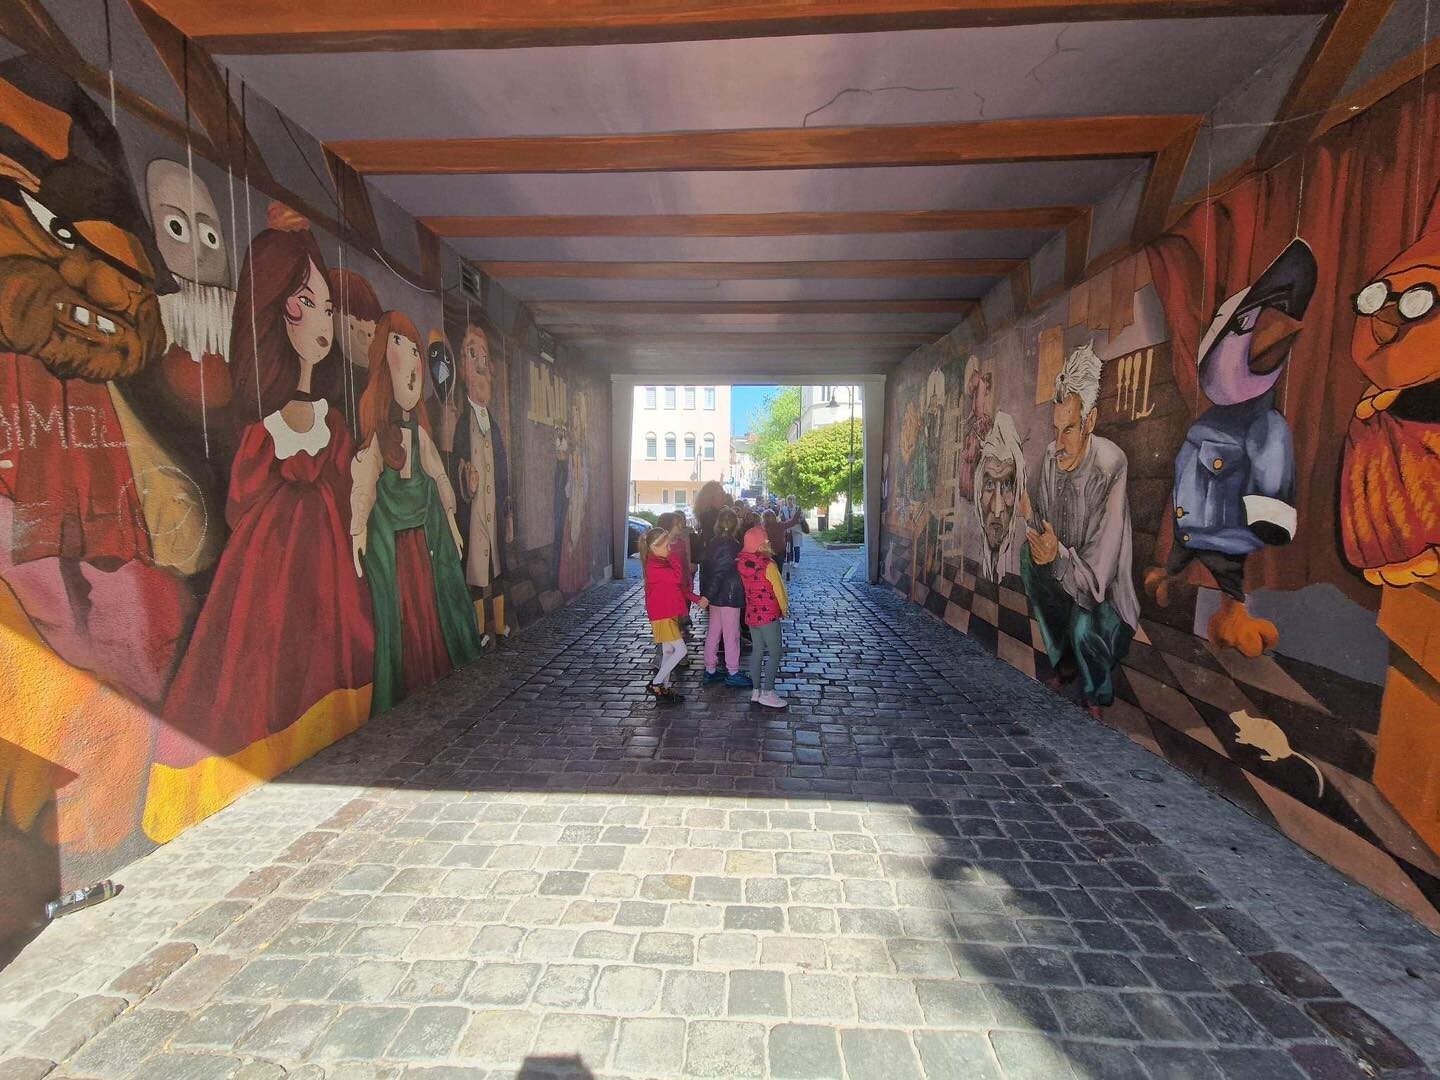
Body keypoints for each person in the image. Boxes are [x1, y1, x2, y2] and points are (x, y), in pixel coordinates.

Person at [155, 205, 373, 815]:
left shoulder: (333, 421)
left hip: (329, 579)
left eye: (327, 305)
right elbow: (241, 503)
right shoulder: (263, 429)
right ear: (274, 309)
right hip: (268, 582)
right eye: (308, 302)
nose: (323, 319)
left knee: (326, 659)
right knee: (260, 670)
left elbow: (349, 490)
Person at [352, 311, 483, 715]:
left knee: (429, 608)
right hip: (395, 547)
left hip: (424, 543)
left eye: (416, 353)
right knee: (402, 614)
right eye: (400, 347)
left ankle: (435, 669)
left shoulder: (419, 435)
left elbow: (441, 477)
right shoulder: (380, 438)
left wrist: (452, 523)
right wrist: (358, 529)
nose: (412, 364)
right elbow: (364, 484)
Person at [1021, 344, 1139, 718]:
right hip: (1068, 582)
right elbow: (1041, 527)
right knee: (1028, 559)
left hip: (1106, 597)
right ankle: (1066, 664)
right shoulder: (1050, 461)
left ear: (1090, 421)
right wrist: (1028, 516)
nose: (1059, 444)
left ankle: (1095, 696)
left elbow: (1096, 583)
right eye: (1056, 430)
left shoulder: (1111, 466)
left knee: (1085, 626)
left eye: (1069, 429)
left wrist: (1055, 555)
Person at [640, 526, 707, 702]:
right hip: (662, 614)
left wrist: (696, 599)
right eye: (666, 546)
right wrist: (675, 557)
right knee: (680, 650)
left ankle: (664, 687)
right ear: (654, 547)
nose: (670, 549)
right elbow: (677, 578)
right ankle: (656, 683)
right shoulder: (654, 566)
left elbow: (679, 587)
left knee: (669, 651)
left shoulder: (661, 561)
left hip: (668, 612)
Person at [737, 525, 789, 710]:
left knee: (757, 651)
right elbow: (779, 590)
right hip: (768, 615)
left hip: (752, 614)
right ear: (761, 543)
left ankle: (756, 690)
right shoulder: (769, 565)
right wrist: (784, 608)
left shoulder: (742, 562)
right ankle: (769, 692)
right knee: (775, 652)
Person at [700, 508, 752, 688]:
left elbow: (708, 570)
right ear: (736, 524)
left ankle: (710, 669)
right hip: (728, 595)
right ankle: (733, 671)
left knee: (714, 632)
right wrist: (708, 595)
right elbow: (721, 571)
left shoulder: (713, 542)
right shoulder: (731, 545)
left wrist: (707, 594)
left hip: (716, 595)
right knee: (731, 634)